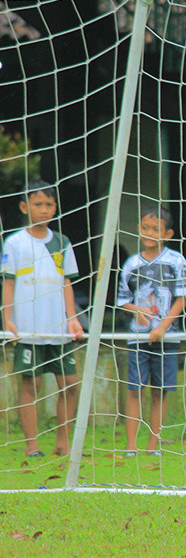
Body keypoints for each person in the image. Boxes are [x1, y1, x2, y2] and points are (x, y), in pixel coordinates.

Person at [1, 181, 84, 457]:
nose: (44, 209)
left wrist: (72, 319)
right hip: (28, 329)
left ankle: (63, 442)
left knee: (70, 383)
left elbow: (67, 284)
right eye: (38, 204)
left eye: (49, 204)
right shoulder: (14, 243)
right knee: (31, 384)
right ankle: (32, 445)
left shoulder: (62, 242)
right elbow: (9, 284)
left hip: (58, 329)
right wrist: (8, 320)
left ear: (56, 208)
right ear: (25, 207)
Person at [117, 205, 186, 457]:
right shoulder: (130, 264)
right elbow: (122, 299)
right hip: (138, 338)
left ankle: (152, 445)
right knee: (135, 389)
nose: (149, 233)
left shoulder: (177, 261)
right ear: (138, 229)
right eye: (145, 228)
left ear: (167, 234)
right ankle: (131, 446)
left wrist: (162, 327)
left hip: (167, 338)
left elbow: (181, 300)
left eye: (155, 229)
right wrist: (135, 310)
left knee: (161, 391)